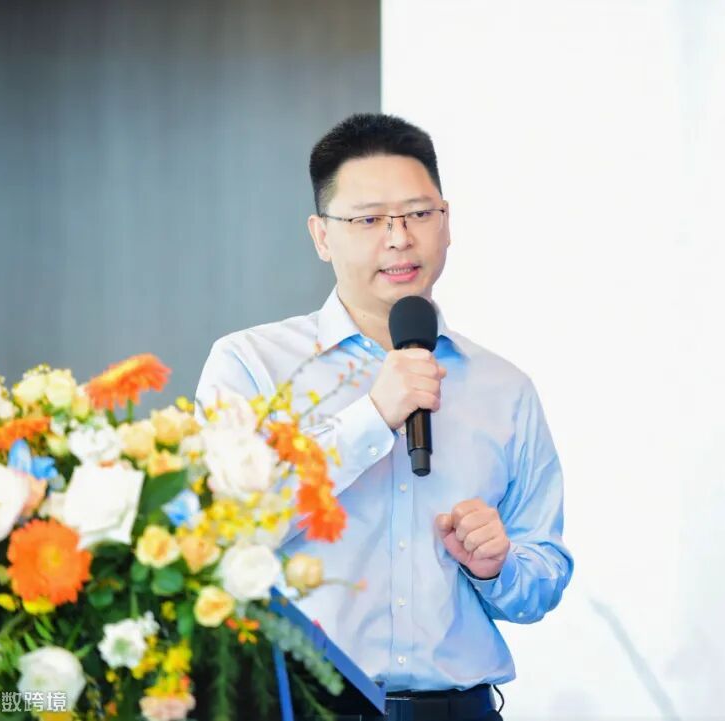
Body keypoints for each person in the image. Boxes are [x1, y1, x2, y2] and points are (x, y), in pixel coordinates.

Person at [195, 113, 573, 721]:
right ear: (322, 235)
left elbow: (543, 577)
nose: (399, 238)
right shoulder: (251, 365)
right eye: (369, 220)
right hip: (302, 709)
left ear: (445, 222)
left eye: (418, 214)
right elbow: (222, 535)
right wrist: (372, 417)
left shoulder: (505, 388)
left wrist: (498, 567)